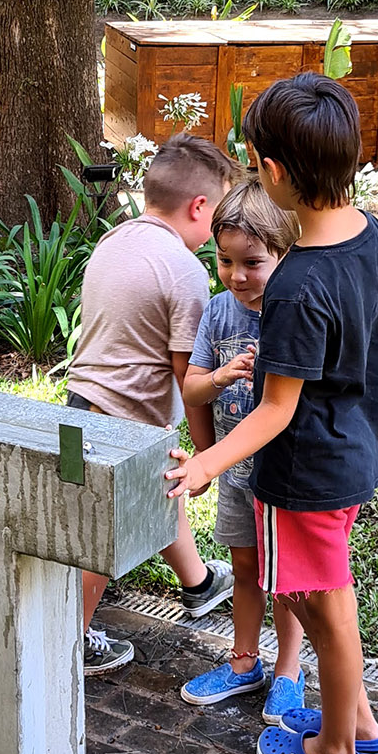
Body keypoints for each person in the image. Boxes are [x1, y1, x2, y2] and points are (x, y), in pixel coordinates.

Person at [165, 74, 378, 754]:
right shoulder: (375, 236)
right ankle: (361, 724)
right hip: (355, 453)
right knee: (331, 600)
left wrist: (204, 464)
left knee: (322, 605)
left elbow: (275, 410)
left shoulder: (296, 283)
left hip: (303, 474)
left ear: (273, 171)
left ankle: (334, 749)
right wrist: (347, 388)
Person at [67, 133, 238, 675]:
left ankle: (199, 583)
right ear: (200, 208)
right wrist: (207, 455)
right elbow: (188, 378)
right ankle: (70, 642)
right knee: (103, 531)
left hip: (79, 406)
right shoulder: (184, 269)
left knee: (152, 501)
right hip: (128, 422)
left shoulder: (114, 240)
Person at [178, 178, 307, 726]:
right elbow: (191, 389)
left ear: (284, 253)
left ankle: (288, 671)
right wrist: (207, 454)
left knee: (288, 580)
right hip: (233, 475)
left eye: (252, 262)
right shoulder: (218, 313)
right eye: (224, 261)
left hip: (286, 478)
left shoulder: (296, 311)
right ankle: (243, 661)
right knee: (247, 567)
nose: (236, 275)